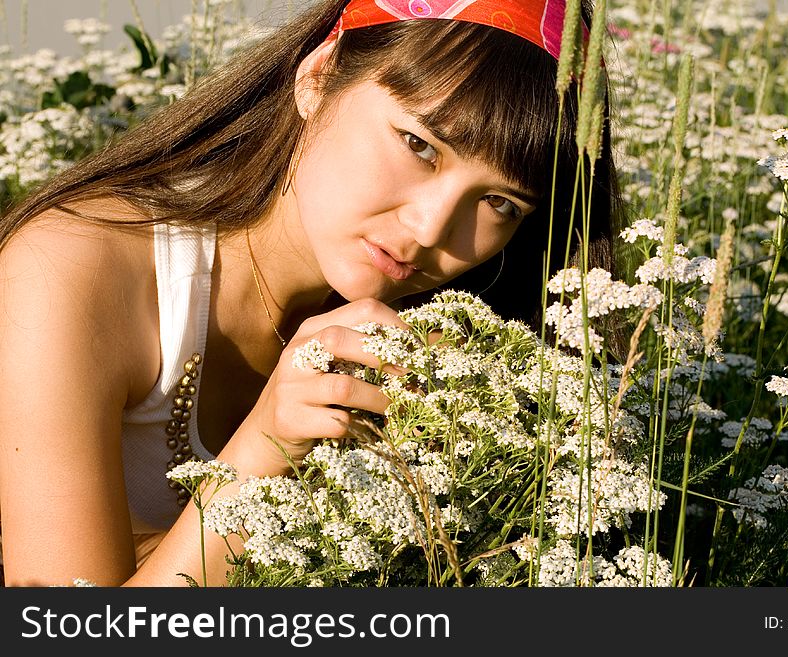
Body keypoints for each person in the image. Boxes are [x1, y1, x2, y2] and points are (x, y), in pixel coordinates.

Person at [0, 0, 623, 586]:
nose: (431, 228)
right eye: (419, 145)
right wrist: (268, 448)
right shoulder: (71, 268)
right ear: (317, 78)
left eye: (498, 203)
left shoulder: (454, 359)